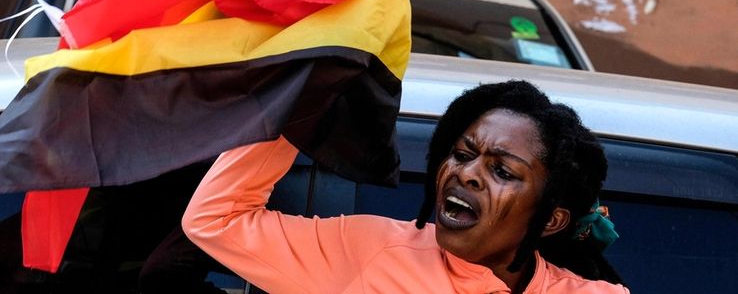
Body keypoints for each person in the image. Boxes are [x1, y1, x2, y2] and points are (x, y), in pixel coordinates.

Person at [182, 80, 628, 294]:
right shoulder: (371, 250)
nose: (466, 173)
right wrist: (299, 97)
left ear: (552, 220)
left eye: (502, 172)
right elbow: (217, 220)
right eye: (462, 152)